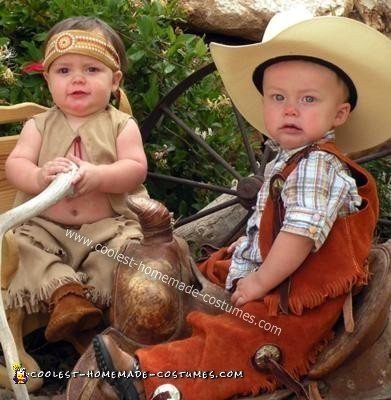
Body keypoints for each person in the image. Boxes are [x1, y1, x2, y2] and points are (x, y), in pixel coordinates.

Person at [92, 9, 391, 400]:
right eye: (278, 97)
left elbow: (299, 234)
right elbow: (275, 223)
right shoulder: (295, 157)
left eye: (308, 99)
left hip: (299, 300)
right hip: (284, 277)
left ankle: (151, 377)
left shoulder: (318, 165)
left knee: (239, 337)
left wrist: (259, 281)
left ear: (339, 114)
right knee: (206, 272)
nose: (290, 109)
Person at [4, 16, 148, 348]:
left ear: (115, 81)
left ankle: (98, 317)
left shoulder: (121, 125)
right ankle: (67, 298)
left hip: (106, 226)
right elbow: (17, 164)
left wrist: (98, 176)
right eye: (64, 71)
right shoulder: (38, 126)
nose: (77, 79)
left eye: (91, 70)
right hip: (46, 228)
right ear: (48, 79)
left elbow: (135, 168)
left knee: (127, 252)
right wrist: (39, 176)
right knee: (21, 246)